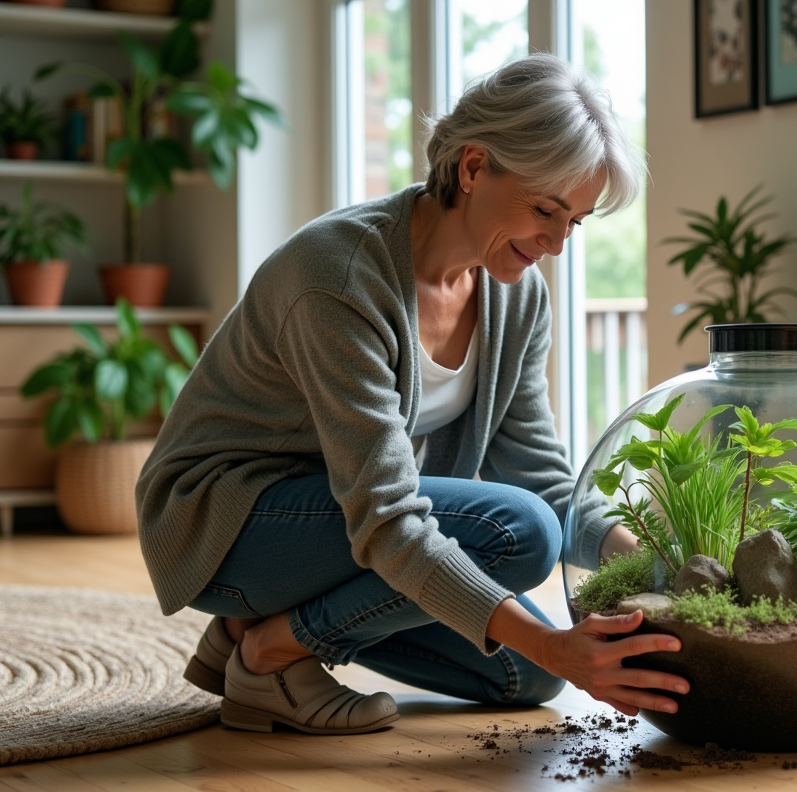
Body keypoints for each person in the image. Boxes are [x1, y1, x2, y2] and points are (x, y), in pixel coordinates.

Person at [135, 53, 687, 735]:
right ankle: (272, 649)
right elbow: (389, 517)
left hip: (340, 524)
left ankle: (249, 633)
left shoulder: (518, 298)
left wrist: (654, 566)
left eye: (574, 222)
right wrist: (552, 640)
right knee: (520, 537)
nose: (555, 243)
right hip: (225, 525)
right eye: (545, 209)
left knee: (527, 675)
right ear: (473, 167)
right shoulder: (339, 275)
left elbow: (538, 476)